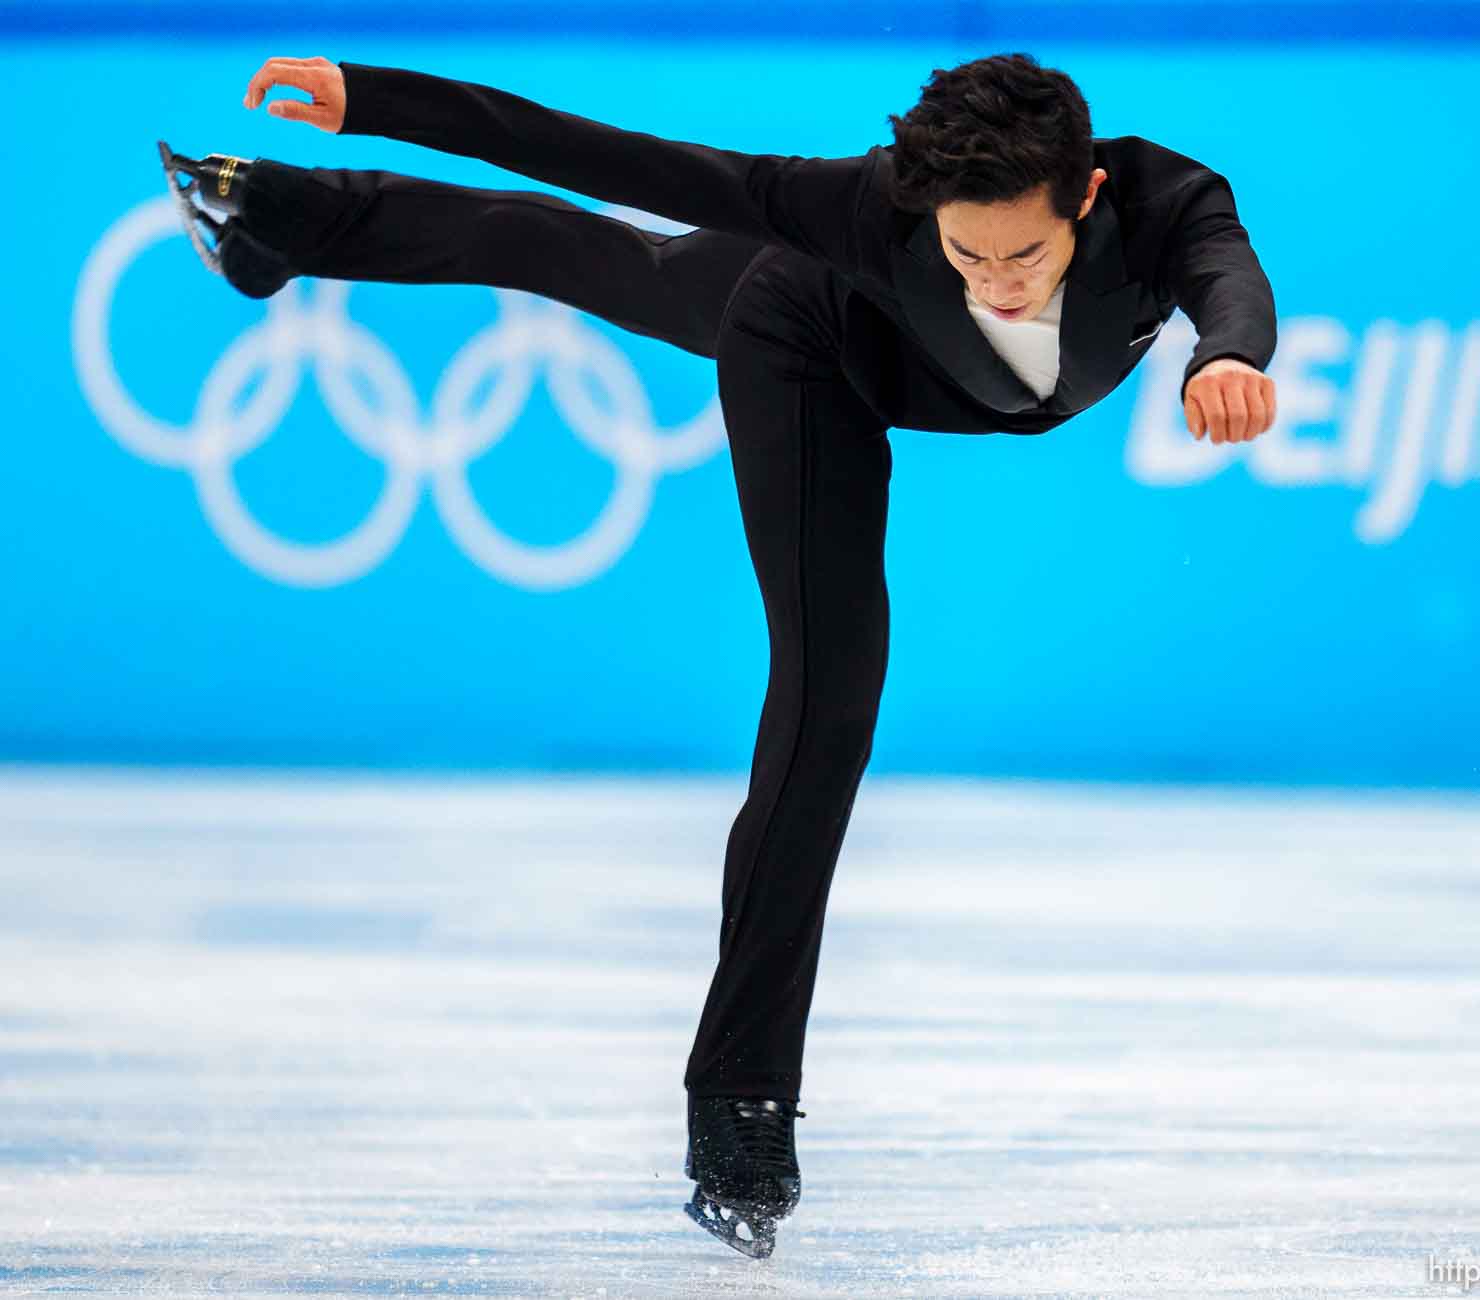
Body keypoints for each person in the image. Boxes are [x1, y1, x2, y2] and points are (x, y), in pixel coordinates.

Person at [159, 49, 1277, 1258]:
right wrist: (376, 99)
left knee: (591, 257)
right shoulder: (865, 205)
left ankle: (276, 219)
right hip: (808, 336)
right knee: (827, 705)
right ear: (920, 213)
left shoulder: (1169, 204)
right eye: (966, 254)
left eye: (1024, 253)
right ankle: (739, 1100)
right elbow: (625, 159)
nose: (997, 284)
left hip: (873, 323)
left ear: (1089, 197)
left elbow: (1232, 284)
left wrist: (1226, 359)